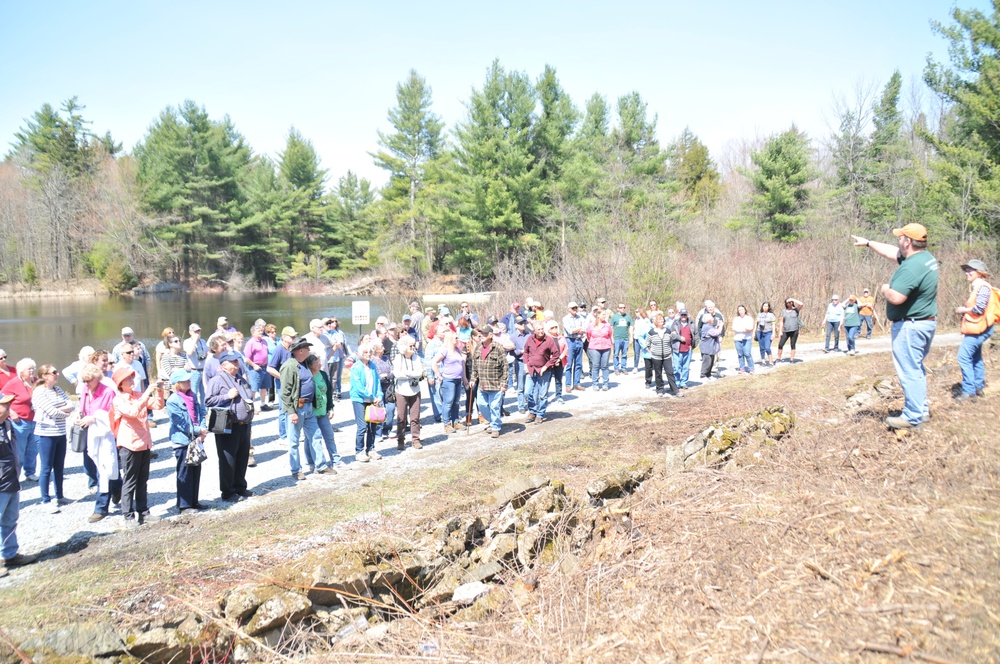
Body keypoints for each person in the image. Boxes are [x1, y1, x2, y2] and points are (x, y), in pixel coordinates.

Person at [852, 224, 939, 429]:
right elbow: (892, 253)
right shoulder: (925, 258)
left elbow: (897, 297)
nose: (898, 240)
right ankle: (921, 410)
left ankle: (913, 416)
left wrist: (884, 289)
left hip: (911, 325)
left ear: (908, 242)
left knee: (909, 370)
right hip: (924, 322)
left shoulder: (911, 267)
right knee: (915, 368)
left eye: (900, 237)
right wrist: (868, 243)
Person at [111, 366, 165, 526]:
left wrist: (159, 391)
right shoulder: (118, 400)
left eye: (131, 377)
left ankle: (143, 512)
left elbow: (158, 406)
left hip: (144, 443)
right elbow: (133, 412)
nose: (131, 380)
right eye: (128, 378)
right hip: (129, 445)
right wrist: (147, 392)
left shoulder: (138, 395)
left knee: (143, 480)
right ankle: (128, 516)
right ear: (120, 384)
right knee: (130, 481)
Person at [206, 351, 255, 501]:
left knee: (242, 458)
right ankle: (227, 492)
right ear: (223, 365)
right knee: (228, 460)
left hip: (244, 424)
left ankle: (240, 487)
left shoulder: (241, 378)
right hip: (228, 425)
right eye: (232, 362)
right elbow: (208, 401)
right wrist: (227, 396)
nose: (236, 364)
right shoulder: (217, 380)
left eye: (236, 361)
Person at [280, 338, 330, 480]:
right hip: (297, 408)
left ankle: (320, 465)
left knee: (315, 435)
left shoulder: (304, 364)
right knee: (294, 441)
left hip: (308, 407)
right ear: (301, 350)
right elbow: (285, 392)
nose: (309, 350)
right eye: (307, 348)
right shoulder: (289, 366)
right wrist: (291, 412)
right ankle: (296, 470)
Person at [0, 392, 37, 576]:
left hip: (11, 479)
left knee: (10, 519)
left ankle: (10, 554)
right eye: (4, 404)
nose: (9, 407)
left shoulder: (7, 424)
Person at [77, 364, 118, 520]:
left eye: (88, 380)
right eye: (84, 380)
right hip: (90, 433)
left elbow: (113, 416)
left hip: (105, 434)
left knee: (105, 469)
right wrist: (79, 416)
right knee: (96, 467)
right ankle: (118, 487)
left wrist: (95, 419)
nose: (86, 383)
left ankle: (101, 508)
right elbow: (83, 410)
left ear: (97, 378)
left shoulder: (108, 392)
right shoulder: (85, 390)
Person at [31, 365, 73, 513]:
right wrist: (64, 413)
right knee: (46, 467)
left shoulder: (57, 390)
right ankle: (46, 500)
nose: (57, 374)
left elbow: (71, 405)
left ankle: (60, 495)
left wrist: (61, 411)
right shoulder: (39, 392)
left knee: (59, 466)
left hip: (60, 432)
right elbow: (51, 411)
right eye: (54, 372)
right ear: (44, 376)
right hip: (45, 434)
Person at [166, 369, 207, 513]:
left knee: (196, 470)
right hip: (182, 441)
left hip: (196, 438)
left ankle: (194, 502)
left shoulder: (192, 395)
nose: (189, 382)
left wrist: (203, 428)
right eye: (185, 381)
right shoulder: (172, 401)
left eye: (188, 380)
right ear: (177, 384)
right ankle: (184, 505)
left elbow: (200, 413)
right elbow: (181, 424)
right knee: (184, 473)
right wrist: (199, 430)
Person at [955, 259, 994, 402]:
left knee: (963, 357)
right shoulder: (978, 286)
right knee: (976, 358)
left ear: (979, 272)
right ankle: (978, 387)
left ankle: (968, 391)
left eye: (970, 270)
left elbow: (979, 309)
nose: (967, 273)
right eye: (966, 270)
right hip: (980, 328)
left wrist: (962, 310)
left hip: (979, 329)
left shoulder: (982, 287)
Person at [471, 325, 509, 438]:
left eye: (484, 334)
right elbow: (474, 366)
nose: (481, 336)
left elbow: (505, 367)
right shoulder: (478, 347)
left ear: (491, 335)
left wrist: (504, 384)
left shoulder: (498, 348)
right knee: (481, 405)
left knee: (494, 407)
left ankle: (495, 427)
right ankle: (493, 422)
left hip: (495, 384)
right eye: (480, 333)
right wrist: (473, 379)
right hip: (482, 384)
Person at [4, 360, 38, 483]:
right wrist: (11, 412)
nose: (32, 371)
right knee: (19, 450)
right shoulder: (13, 383)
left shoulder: (36, 382)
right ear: (21, 371)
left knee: (33, 449)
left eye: (33, 368)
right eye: (29, 369)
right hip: (20, 422)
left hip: (36, 421)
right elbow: (2, 400)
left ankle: (30, 472)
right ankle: (15, 477)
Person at [306, 355, 341, 472]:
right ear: (310, 365)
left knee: (329, 435)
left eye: (319, 361)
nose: (320, 364)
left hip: (323, 411)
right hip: (311, 412)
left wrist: (330, 407)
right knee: (311, 438)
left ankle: (336, 460)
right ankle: (312, 462)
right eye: (316, 362)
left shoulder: (323, 375)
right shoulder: (307, 376)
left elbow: (329, 392)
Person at [350, 343, 384, 462]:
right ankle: (359, 451)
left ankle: (371, 449)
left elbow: (377, 382)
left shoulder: (373, 365)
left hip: (372, 399)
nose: (368, 354)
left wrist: (379, 395)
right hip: (359, 399)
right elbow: (358, 386)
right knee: (362, 426)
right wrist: (371, 396)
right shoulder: (356, 367)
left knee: (373, 425)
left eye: (369, 352)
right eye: (365, 352)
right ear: (360, 354)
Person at [522, 320, 559, 424]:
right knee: (528, 392)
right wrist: (525, 364)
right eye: (538, 329)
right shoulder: (530, 339)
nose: (541, 331)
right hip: (531, 369)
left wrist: (546, 366)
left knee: (543, 395)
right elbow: (525, 352)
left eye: (542, 329)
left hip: (544, 371)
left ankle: (540, 414)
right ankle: (532, 411)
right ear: (534, 331)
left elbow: (556, 355)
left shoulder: (549, 340)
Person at [432, 332, 468, 434]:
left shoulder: (457, 350)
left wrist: (464, 377)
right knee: (448, 402)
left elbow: (462, 364)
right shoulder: (445, 350)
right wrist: (438, 375)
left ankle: (455, 421)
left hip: (458, 379)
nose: (457, 340)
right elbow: (434, 362)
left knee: (456, 402)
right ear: (451, 339)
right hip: (448, 380)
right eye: (456, 338)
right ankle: (446, 423)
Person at [393, 336, 424, 450]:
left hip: (415, 391)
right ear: (404, 347)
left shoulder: (417, 358)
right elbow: (397, 374)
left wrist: (407, 373)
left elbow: (420, 373)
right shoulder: (398, 358)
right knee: (401, 417)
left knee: (415, 417)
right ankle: (400, 440)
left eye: (413, 345)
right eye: (410, 346)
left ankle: (416, 439)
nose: (413, 348)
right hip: (401, 391)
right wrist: (412, 374)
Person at [267, 326, 296, 440]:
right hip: (282, 384)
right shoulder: (279, 349)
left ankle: (292, 433)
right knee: (284, 409)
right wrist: (283, 378)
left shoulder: (292, 348)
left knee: (294, 407)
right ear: (284, 337)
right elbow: (270, 368)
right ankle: (284, 435)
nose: (294, 338)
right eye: (291, 336)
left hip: (293, 383)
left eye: (294, 336)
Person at [646, 313, 680, 397]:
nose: (661, 321)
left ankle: (675, 390)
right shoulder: (651, 332)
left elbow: (672, 340)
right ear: (656, 321)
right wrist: (650, 349)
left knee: (670, 373)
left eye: (662, 319)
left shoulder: (668, 331)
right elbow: (647, 343)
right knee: (658, 374)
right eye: (659, 319)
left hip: (667, 356)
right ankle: (660, 389)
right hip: (656, 357)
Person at [243, 324, 271, 409]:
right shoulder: (250, 343)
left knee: (264, 386)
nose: (261, 332)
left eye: (261, 331)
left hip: (265, 367)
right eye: (259, 331)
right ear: (253, 333)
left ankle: (263, 404)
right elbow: (246, 358)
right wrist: (254, 365)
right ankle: (252, 406)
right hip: (255, 368)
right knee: (254, 388)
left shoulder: (264, 341)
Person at [373, 345, 396, 441]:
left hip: (389, 388)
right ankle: (377, 433)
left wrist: (386, 375)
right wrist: (380, 377)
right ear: (376, 349)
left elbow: (393, 371)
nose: (383, 347)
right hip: (377, 389)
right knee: (379, 410)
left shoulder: (386, 358)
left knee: (391, 408)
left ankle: (387, 430)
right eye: (381, 346)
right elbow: (373, 376)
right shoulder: (372, 361)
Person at [562, 302, 587, 392]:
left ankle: (577, 383)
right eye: (573, 308)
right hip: (570, 341)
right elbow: (570, 331)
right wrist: (578, 329)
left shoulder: (581, 317)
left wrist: (578, 330)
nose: (575, 309)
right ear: (569, 309)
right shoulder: (565, 318)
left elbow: (585, 329)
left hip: (579, 341)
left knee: (579, 364)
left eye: (576, 308)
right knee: (569, 364)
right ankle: (568, 385)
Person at [183, 323, 209, 408]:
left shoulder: (203, 341)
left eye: (199, 331)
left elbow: (207, 353)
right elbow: (189, 353)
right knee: (194, 392)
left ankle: (204, 410)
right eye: (195, 331)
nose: (198, 333)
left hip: (203, 370)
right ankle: (194, 409)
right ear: (190, 332)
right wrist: (194, 341)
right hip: (194, 371)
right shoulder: (187, 342)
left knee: (204, 393)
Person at [586, 310, 613, 391]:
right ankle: (595, 384)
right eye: (603, 314)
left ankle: (605, 384)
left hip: (606, 347)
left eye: (605, 314)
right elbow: (589, 335)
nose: (605, 316)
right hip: (594, 347)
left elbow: (610, 334)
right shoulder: (591, 325)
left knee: (605, 366)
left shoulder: (607, 325)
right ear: (598, 315)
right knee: (595, 366)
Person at [670, 309, 697, 388]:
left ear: (687, 315)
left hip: (688, 349)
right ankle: (677, 382)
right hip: (677, 349)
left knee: (686, 367)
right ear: (679, 315)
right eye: (682, 315)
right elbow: (671, 335)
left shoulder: (692, 324)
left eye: (685, 315)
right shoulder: (675, 323)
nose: (683, 316)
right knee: (677, 367)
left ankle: (684, 382)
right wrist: (679, 337)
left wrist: (693, 345)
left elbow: (696, 335)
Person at [775, 298, 804, 363]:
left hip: (794, 330)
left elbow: (801, 304)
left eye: (790, 302)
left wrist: (792, 299)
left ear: (792, 302)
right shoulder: (784, 311)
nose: (789, 304)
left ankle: (791, 359)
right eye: (787, 303)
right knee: (780, 344)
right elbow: (782, 321)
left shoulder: (795, 310)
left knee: (792, 344)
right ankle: (779, 358)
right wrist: (780, 331)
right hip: (786, 330)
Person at [610, 303, 633, 376]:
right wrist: (612, 338)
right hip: (617, 338)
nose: (622, 309)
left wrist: (631, 337)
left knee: (624, 354)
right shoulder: (614, 317)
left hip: (625, 338)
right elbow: (611, 328)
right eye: (620, 307)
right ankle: (616, 369)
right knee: (616, 354)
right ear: (618, 308)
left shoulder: (628, 317)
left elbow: (631, 327)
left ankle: (623, 368)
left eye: (623, 307)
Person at [732, 305, 756, 373]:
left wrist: (746, 329)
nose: (741, 311)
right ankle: (742, 368)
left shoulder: (749, 318)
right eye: (739, 310)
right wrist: (741, 330)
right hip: (738, 338)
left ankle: (751, 368)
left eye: (742, 309)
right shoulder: (736, 319)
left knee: (747, 353)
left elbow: (750, 328)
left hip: (747, 338)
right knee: (740, 354)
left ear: (745, 310)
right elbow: (733, 327)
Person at [699, 314, 722, 380]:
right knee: (707, 362)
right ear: (708, 320)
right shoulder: (706, 327)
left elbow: (714, 330)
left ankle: (708, 375)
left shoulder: (709, 326)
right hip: (706, 348)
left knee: (711, 362)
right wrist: (721, 326)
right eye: (711, 318)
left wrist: (717, 326)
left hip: (711, 347)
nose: (713, 319)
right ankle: (703, 375)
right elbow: (716, 333)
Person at [633, 307, 651, 374]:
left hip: (644, 339)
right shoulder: (636, 320)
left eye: (637, 312)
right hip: (636, 338)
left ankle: (648, 366)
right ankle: (635, 367)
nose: (636, 313)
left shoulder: (646, 320)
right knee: (636, 353)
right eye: (635, 312)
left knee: (646, 352)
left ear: (641, 312)